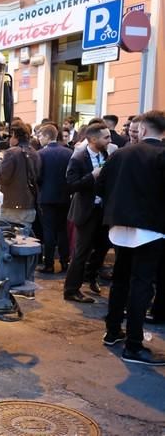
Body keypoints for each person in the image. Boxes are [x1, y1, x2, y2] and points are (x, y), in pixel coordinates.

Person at [97, 110, 165, 365]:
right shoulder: (161, 155)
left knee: (121, 280)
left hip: (119, 225)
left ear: (143, 130)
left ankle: (113, 331)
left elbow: (100, 186)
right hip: (151, 228)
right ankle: (134, 346)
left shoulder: (120, 154)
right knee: (141, 285)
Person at [63, 123, 111, 303]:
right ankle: (71, 290)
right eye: (106, 137)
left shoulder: (104, 154)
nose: (110, 140)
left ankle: (91, 278)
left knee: (101, 247)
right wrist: (92, 176)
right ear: (93, 139)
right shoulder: (78, 158)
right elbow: (71, 185)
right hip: (85, 211)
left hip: (101, 210)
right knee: (81, 252)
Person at [36, 124, 72, 273]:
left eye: (40, 136)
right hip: (64, 197)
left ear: (46, 136)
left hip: (46, 197)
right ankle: (64, 262)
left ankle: (49, 264)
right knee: (62, 230)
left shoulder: (41, 154)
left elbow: (37, 176)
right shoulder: (68, 152)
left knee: (49, 231)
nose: (39, 139)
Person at [0, 122, 41, 228]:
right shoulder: (35, 152)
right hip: (29, 205)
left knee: (6, 238)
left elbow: (2, 177)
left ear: (14, 135)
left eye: (9, 136)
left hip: (10, 207)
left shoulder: (11, 152)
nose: (8, 140)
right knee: (25, 239)